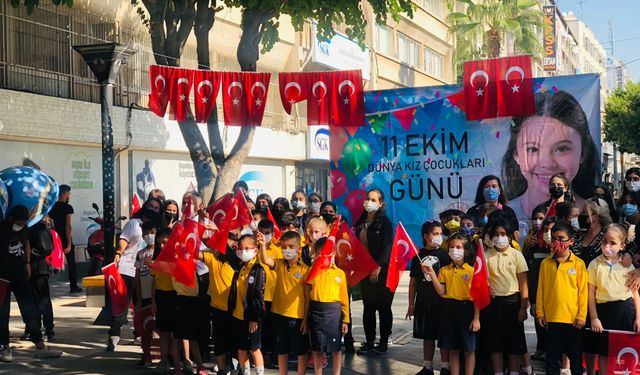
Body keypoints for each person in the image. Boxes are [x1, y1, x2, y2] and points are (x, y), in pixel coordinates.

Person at [502, 91, 599, 221]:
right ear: (516, 154)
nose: (547, 163)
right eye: (532, 149)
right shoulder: (505, 215)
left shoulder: (593, 216)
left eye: (562, 148)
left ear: (583, 152)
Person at [0, 206, 62, 360]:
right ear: (11, 219)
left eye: (23, 222)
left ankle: (39, 345)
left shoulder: (24, 228)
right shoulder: (2, 229)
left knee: (29, 308)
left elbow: (26, 242)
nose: (21, 225)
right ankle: (5, 348)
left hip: (20, 273)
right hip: (2, 276)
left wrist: (27, 263)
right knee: (3, 311)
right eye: (19, 222)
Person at [108, 197, 162, 351]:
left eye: (157, 207)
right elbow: (123, 241)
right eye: (150, 206)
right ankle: (114, 334)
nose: (153, 209)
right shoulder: (133, 224)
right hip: (127, 268)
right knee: (123, 304)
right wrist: (118, 253)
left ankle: (139, 333)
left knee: (141, 305)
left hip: (146, 272)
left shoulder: (158, 226)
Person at [585, 224, 640, 375]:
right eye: (604, 241)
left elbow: (635, 294)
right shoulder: (594, 265)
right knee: (604, 351)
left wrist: (638, 318)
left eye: (613, 243)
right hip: (604, 312)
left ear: (622, 245)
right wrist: (594, 318)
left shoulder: (627, 265)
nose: (607, 246)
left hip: (625, 312)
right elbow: (590, 295)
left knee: (624, 350)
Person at [423, 232, 480, 375]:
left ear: (465, 251)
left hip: (467, 310)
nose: (455, 250)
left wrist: (476, 318)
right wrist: (432, 275)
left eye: (459, 247)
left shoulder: (472, 271)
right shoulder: (444, 270)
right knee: (453, 348)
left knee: (468, 349)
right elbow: (442, 291)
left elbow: (477, 297)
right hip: (449, 310)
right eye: (452, 247)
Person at [536, 222, 587, 375]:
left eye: (561, 238)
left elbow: (583, 292)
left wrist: (581, 315)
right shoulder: (546, 263)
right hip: (551, 319)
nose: (557, 242)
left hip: (572, 320)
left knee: (575, 357)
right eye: (553, 238)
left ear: (571, 241)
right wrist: (540, 312)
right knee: (552, 358)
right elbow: (541, 289)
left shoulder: (579, 264)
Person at [257, 230, 309, 375]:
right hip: (278, 313)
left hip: (296, 316)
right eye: (284, 247)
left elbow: (307, 297)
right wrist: (262, 246)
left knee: (300, 350)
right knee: (282, 349)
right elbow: (266, 261)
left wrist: (305, 319)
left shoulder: (305, 270)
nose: (288, 250)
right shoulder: (279, 264)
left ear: (299, 248)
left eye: (291, 247)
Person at [483, 218, 530, 375]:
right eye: (496, 234)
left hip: (513, 302)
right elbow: (481, 281)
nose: (500, 237)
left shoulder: (516, 255)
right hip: (493, 303)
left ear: (509, 236)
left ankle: (515, 372)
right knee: (495, 341)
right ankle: (498, 372)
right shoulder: (486, 256)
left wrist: (523, 307)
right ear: (491, 237)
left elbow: (523, 283)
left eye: (503, 234)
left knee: (514, 341)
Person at [407, 221, 451, 375]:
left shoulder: (445, 256)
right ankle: (427, 366)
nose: (439, 237)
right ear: (426, 236)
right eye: (435, 234)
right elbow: (413, 283)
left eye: (440, 234)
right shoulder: (417, 257)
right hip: (424, 302)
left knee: (443, 335)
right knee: (428, 335)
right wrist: (411, 305)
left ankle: (445, 366)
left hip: (441, 301)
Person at [354, 188, 394, 355]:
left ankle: (383, 343)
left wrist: (378, 267)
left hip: (382, 271)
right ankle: (370, 341)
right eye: (368, 199)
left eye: (373, 200)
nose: (369, 202)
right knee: (368, 307)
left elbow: (387, 247)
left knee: (384, 307)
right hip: (365, 270)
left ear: (381, 204)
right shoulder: (360, 224)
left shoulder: (385, 223)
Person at [305, 237, 349, 375]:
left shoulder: (340, 273)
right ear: (316, 254)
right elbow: (306, 294)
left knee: (335, 349)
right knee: (317, 348)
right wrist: (305, 319)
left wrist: (345, 320)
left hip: (334, 314)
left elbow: (344, 299)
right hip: (316, 311)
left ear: (335, 254)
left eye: (329, 253)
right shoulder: (312, 272)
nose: (325, 257)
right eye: (321, 253)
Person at [200, 235, 238, 375]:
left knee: (236, 342)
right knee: (219, 342)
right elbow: (196, 254)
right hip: (217, 309)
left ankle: (235, 368)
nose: (215, 249)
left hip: (235, 309)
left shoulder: (238, 262)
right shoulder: (212, 259)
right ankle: (222, 369)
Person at [230, 234, 266, 375]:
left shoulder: (258, 269)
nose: (243, 251)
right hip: (237, 314)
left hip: (251, 317)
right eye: (240, 248)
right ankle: (245, 372)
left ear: (255, 250)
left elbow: (258, 294)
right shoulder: (241, 267)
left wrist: (254, 318)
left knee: (254, 348)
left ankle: (260, 372)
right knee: (241, 348)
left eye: (247, 248)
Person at [150, 228, 181, 373]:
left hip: (176, 297)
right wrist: (154, 301)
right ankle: (163, 361)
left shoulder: (178, 258)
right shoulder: (157, 261)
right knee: (164, 333)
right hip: (162, 298)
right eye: (160, 243)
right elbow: (154, 283)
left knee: (176, 335)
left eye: (165, 242)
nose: (162, 246)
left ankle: (177, 364)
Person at [27, 216, 55, 343]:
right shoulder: (37, 226)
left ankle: (48, 329)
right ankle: (37, 329)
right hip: (35, 267)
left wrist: (29, 254)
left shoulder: (38, 227)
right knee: (35, 300)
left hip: (38, 267)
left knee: (42, 300)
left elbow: (46, 247)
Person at [49, 184, 81, 294]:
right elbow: (68, 226)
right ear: (64, 193)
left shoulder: (51, 207)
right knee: (71, 263)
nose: (69, 195)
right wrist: (68, 243)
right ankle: (73, 286)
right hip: (64, 237)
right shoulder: (67, 207)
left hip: (54, 238)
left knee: (50, 261)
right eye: (68, 193)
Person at [257, 219, 281, 368]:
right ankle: (260, 356)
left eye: (268, 233)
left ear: (272, 234)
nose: (265, 236)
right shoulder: (252, 248)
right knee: (259, 329)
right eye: (262, 232)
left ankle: (272, 356)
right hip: (257, 296)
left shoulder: (278, 250)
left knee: (272, 329)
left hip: (273, 296)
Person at [134, 222, 156, 369]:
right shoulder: (140, 254)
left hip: (158, 296)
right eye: (145, 233)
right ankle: (146, 356)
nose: (148, 236)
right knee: (145, 328)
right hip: (144, 296)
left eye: (151, 232)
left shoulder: (161, 252)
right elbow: (137, 277)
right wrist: (139, 298)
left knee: (159, 329)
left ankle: (162, 357)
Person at [571, 198, 611, 267]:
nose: (581, 216)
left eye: (584, 213)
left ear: (596, 216)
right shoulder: (578, 234)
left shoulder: (606, 238)